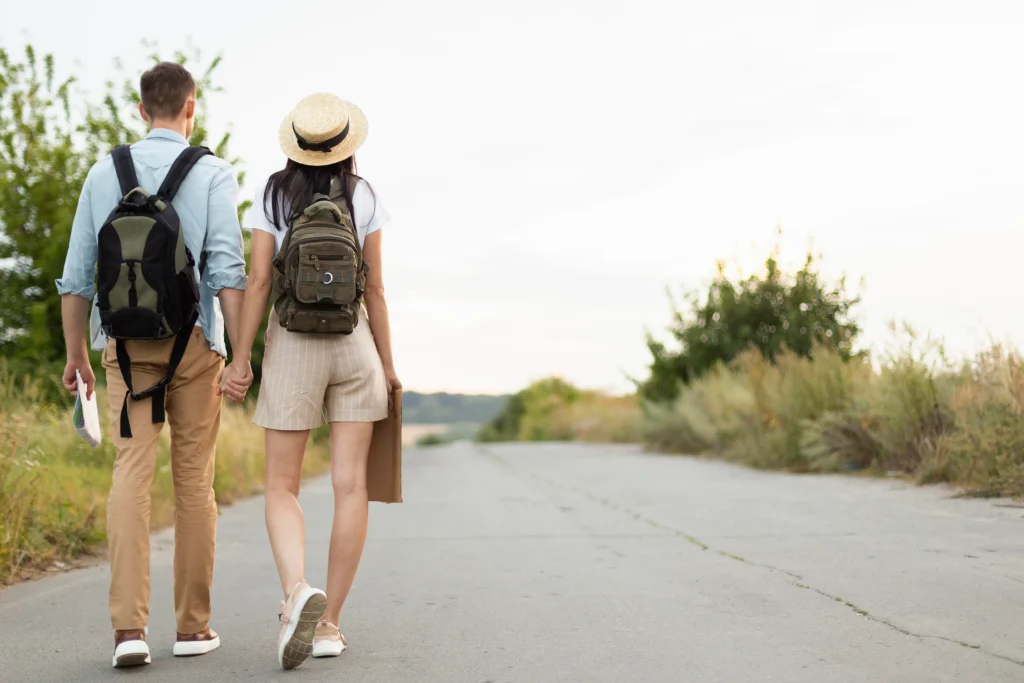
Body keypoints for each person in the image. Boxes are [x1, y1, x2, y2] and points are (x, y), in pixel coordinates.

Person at [57, 62, 250, 669]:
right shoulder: (214, 173)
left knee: (131, 474)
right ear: (192, 107)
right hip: (194, 346)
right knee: (194, 483)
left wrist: (76, 357)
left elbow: (76, 275)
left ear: (142, 110)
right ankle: (193, 630)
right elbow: (226, 272)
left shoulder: (102, 172)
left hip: (125, 349)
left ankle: (128, 632)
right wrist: (239, 354)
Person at [221, 92, 400, 670]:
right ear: (347, 145)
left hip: (295, 342)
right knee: (351, 486)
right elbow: (374, 289)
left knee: (282, 485)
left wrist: (240, 360)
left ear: (295, 145)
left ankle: (296, 590)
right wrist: (389, 366)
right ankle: (328, 625)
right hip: (355, 346)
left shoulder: (273, 192)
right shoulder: (364, 194)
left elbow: (257, 281)